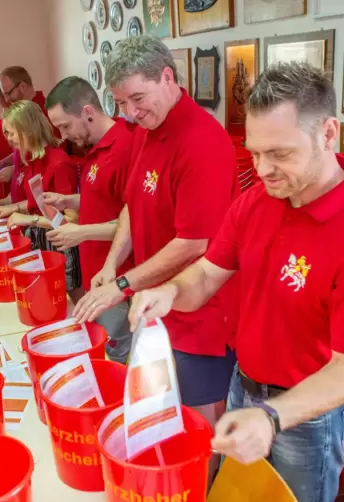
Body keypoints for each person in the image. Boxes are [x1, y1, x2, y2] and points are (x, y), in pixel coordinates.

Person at [128, 62, 344, 502]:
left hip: (306, 415)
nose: (262, 169)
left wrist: (274, 417)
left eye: (280, 153)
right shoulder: (257, 201)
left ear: (329, 134)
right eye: (255, 152)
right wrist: (169, 292)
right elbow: (205, 274)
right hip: (244, 384)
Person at [73, 35, 238, 476]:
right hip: (159, 308)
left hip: (201, 314)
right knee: (164, 421)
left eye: (137, 98)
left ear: (168, 77)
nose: (128, 112)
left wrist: (126, 284)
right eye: (121, 102)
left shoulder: (201, 140)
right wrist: (111, 267)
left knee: (202, 431)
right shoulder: (146, 130)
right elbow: (131, 205)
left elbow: (193, 243)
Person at [42, 76, 136, 363]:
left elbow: (134, 219)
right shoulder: (94, 148)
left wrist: (80, 233)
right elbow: (107, 201)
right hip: (96, 273)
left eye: (65, 126)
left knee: (118, 356)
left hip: (118, 276)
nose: (62, 135)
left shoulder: (124, 148)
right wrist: (69, 201)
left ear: (87, 112)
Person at [0, 100, 82, 301]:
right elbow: (36, 204)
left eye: (10, 133)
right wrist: (11, 209)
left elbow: (69, 222)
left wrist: (29, 220)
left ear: (27, 130)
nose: (8, 139)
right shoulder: (30, 159)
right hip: (41, 239)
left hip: (61, 244)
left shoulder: (58, 163)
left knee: (68, 300)